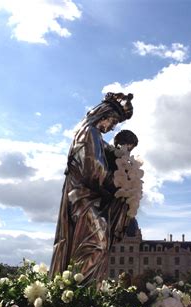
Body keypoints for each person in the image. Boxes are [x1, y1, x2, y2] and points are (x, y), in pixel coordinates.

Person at [49, 93, 134, 284]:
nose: (112, 127)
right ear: (103, 115)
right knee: (97, 240)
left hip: (83, 197)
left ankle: (80, 289)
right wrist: (120, 182)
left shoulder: (92, 135)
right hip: (83, 197)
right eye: (113, 121)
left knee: (87, 241)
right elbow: (94, 170)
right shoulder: (90, 133)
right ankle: (81, 292)